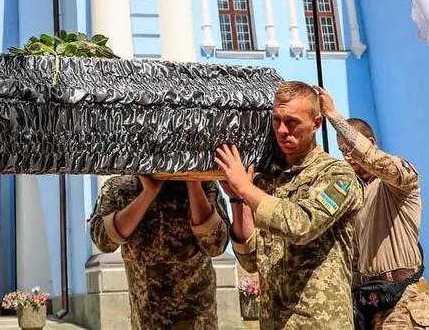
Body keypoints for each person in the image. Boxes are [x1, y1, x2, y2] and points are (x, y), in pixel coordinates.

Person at [216, 80, 363, 329]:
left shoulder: (338, 176)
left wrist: (244, 187)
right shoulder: (268, 179)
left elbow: (301, 225)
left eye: (293, 122)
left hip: (318, 322)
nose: (282, 130)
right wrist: (237, 200)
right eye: (276, 121)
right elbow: (251, 260)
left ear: (316, 124)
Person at [319, 87, 429, 330]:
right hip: (369, 300)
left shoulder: (401, 182)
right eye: (342, 152)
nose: (347, 158)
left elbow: (376, 160)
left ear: (369, 143)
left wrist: (334, 116)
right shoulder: (354, 195)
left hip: (404, 299)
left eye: (349, 151)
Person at [87, 172, 231, 329]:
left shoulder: (205, 185)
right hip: (147, 321)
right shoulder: (120, 187)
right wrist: (148, 194)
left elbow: (215, 245)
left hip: (197, 321)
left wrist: (193, 183)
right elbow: (104, 242)